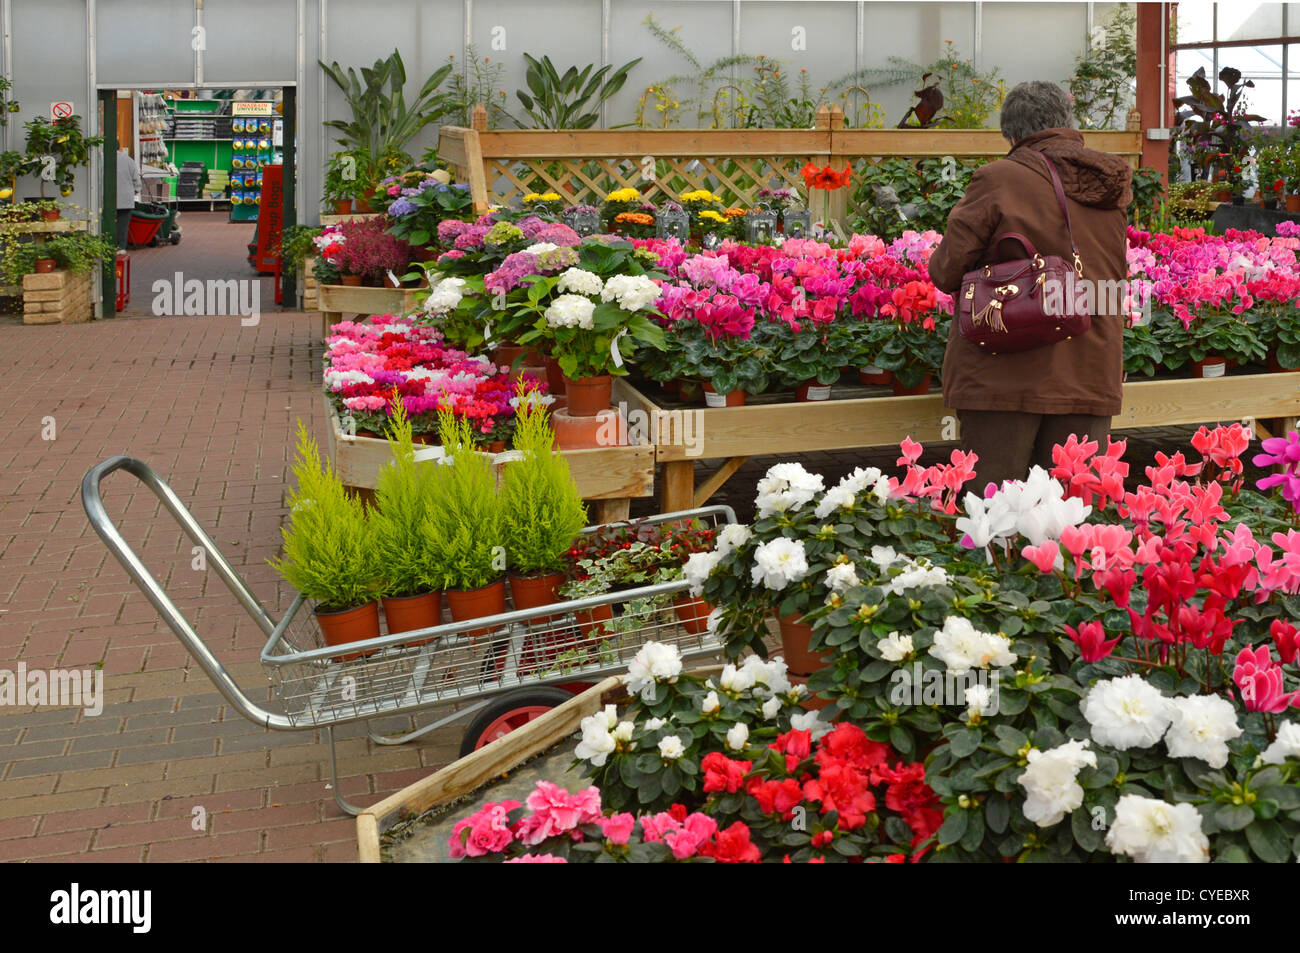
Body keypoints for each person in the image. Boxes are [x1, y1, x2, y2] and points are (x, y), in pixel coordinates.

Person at [927, 81, 1133, 489]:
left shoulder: (999, 178)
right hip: (1090, 369)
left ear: (1011, 133)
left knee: (993, 511)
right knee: (1070, 514)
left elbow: (947, 270)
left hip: (1005, 374)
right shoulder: (1108, 180)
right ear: (1068, 122)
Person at [116, 147, 141, 249]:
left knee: (106, 226)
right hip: (126, 199)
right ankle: (121, 248)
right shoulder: (129, 160)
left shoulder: (101, 158)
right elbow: (137, 181)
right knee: (123, 227)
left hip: (107, 200)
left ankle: (107, 248)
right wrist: (134, 192)